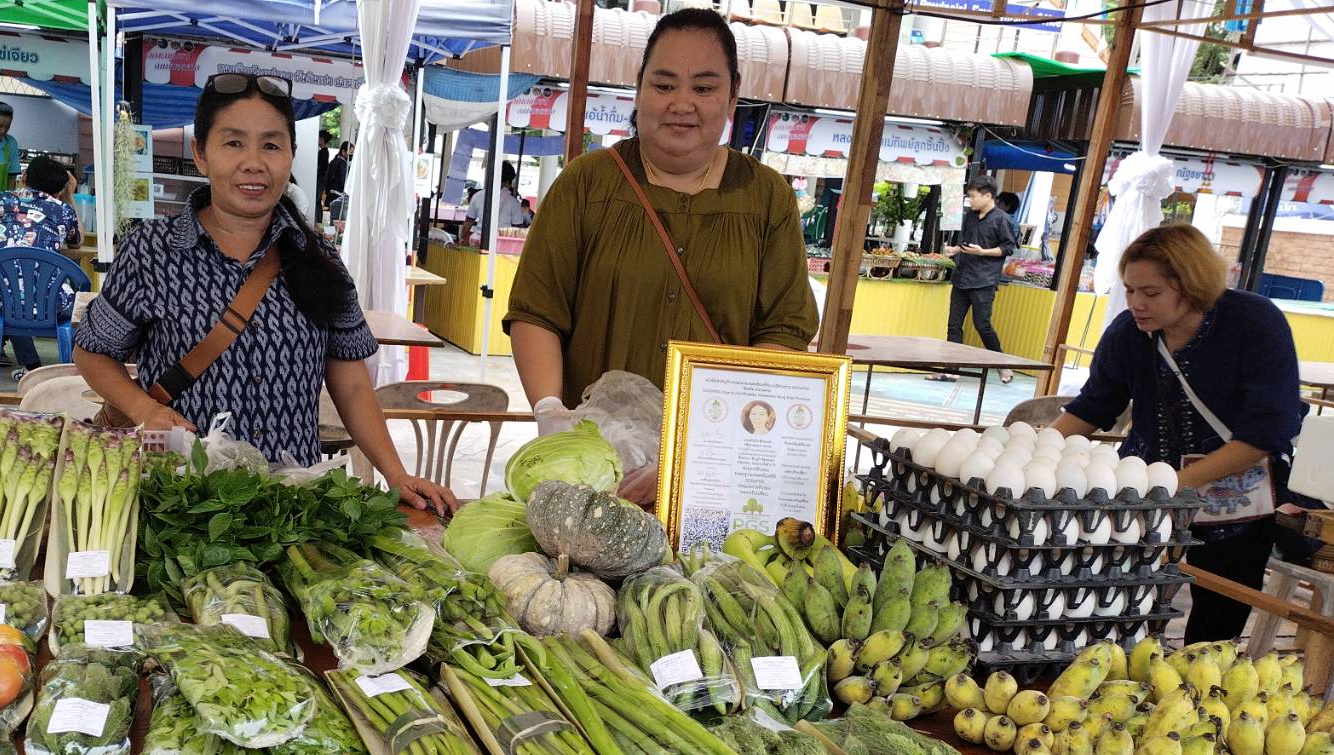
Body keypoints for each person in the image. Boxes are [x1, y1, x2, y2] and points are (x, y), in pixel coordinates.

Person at [72, 72, 457, 514]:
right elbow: (93, 352)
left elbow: (351, 384)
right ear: (201, 154)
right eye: (233, 143)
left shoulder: (321, 260)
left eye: (271, 145)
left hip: (290, 511)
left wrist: (397, 474)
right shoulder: (152, 251)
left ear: (291, 154)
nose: (254, 162)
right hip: (180, 502)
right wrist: (144, 409)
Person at [504, 6, 818, 504]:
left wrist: (687, 451)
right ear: (639, 87)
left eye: (704, 87)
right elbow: (536, 312)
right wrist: (551, 415)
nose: (682, 103)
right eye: (665, 84)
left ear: (733, 95)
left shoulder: (766, 197)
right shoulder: (585, 184)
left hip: (710, 475)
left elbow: (783, 336)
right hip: (592, 471)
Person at [1052, 224, 1304, 642]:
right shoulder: (1127, 333)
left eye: (1150, 293)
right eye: (1130, 290)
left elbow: (1267, 432)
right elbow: (1094, 406)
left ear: (1191, 285)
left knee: (1216, 622)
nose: (1135, 303)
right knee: (1118, 608)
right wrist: (1032, 448)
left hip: (1234, 502)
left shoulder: (1254, 323)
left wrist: (1175, 484)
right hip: (1147, 495)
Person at [0, 155, 85, 378]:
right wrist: (70, 197)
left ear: (24, 176)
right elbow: (77, 240)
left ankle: (33, 368)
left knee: (13, 290)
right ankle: (71, 370)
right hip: (54, 301)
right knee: (84, 308)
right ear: (59, 191)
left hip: (7, 302)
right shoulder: (62, 209)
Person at [933, 176, 1018, 383]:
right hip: (962, 277)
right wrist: (955, 249)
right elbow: (967, 243)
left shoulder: (1002, 219)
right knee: (953, 325)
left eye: (973, 196)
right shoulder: (970, 216)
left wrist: (984, 252)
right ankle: (951, 369)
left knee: (982, 325)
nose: (970, 200)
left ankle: (1003, 366)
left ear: (988, 196)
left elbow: (1008, 248)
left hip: (984, 280)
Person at [461, 160, 533, 246]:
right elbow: (517, 230)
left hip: (479, 243)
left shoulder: (477, 196)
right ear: (507, 181)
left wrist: (463, 240)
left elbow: (468, 223)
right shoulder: (514, 203)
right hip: (503, 246)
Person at [316, 129, 333, 211]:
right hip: (322, 179)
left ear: (322, 139)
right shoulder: (324, 151)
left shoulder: (323, 152)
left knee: (317, 200)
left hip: (320, 179)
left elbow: (322, 167)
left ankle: (318, 219)